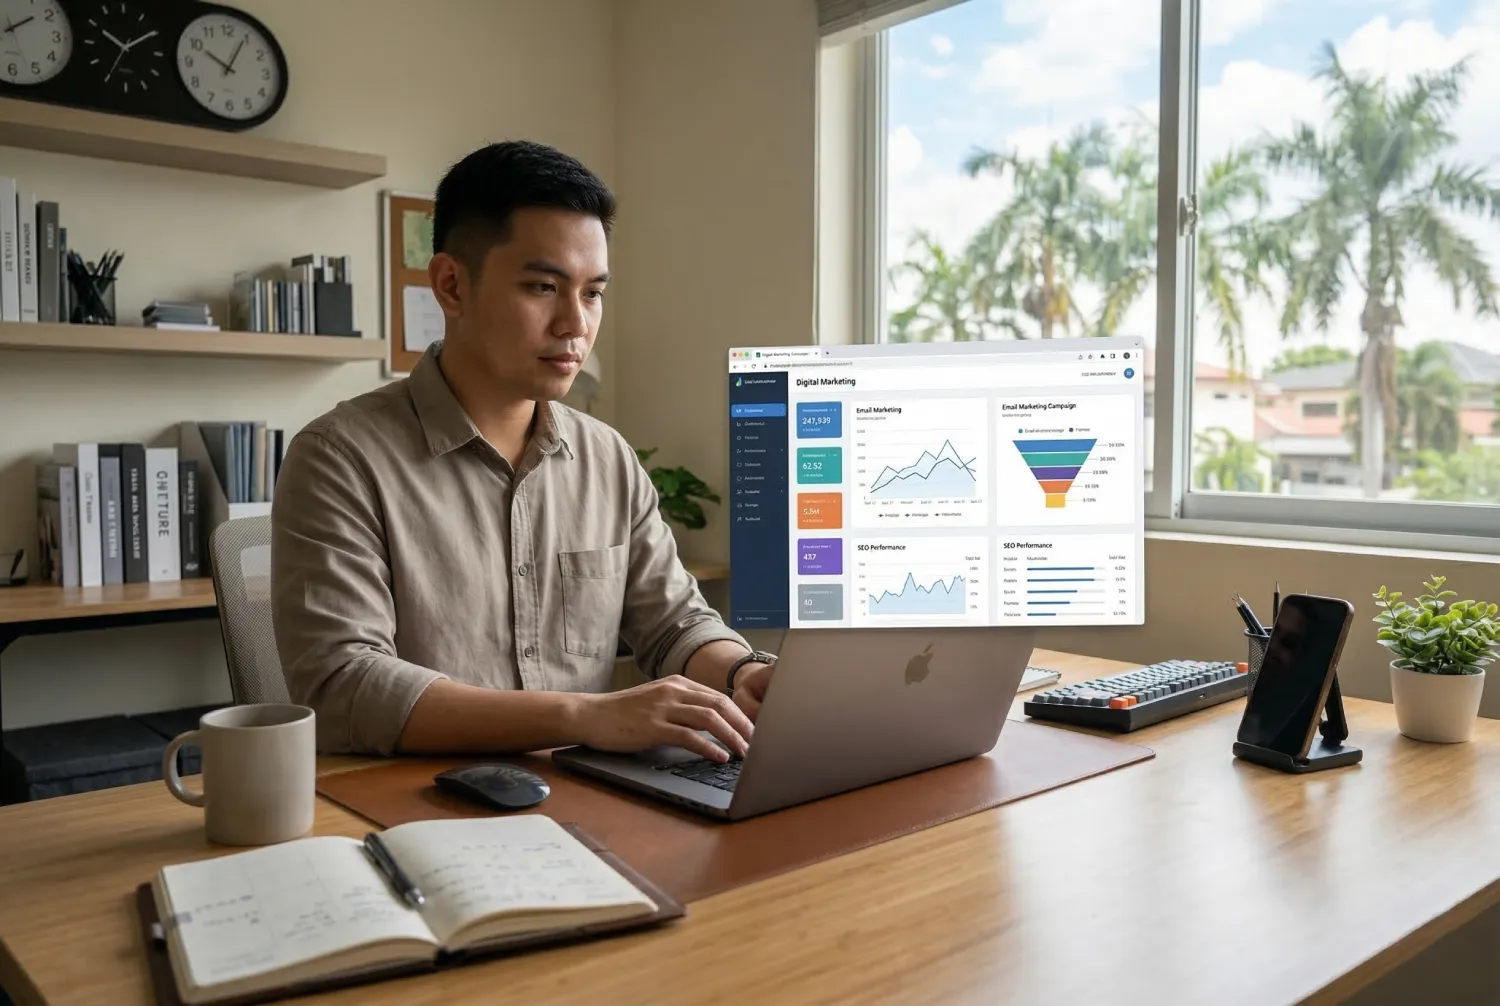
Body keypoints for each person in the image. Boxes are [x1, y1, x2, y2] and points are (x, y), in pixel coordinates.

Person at [270, 140, 774, 761]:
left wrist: (741, 673)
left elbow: (675, 622)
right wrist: (583, 716)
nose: (575, 325)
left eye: (592, 293)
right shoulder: (339, 458)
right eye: (543, 286)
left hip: (582, 795)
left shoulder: (607, 459)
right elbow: (343, 686)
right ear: (451, 285)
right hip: (414, 798)